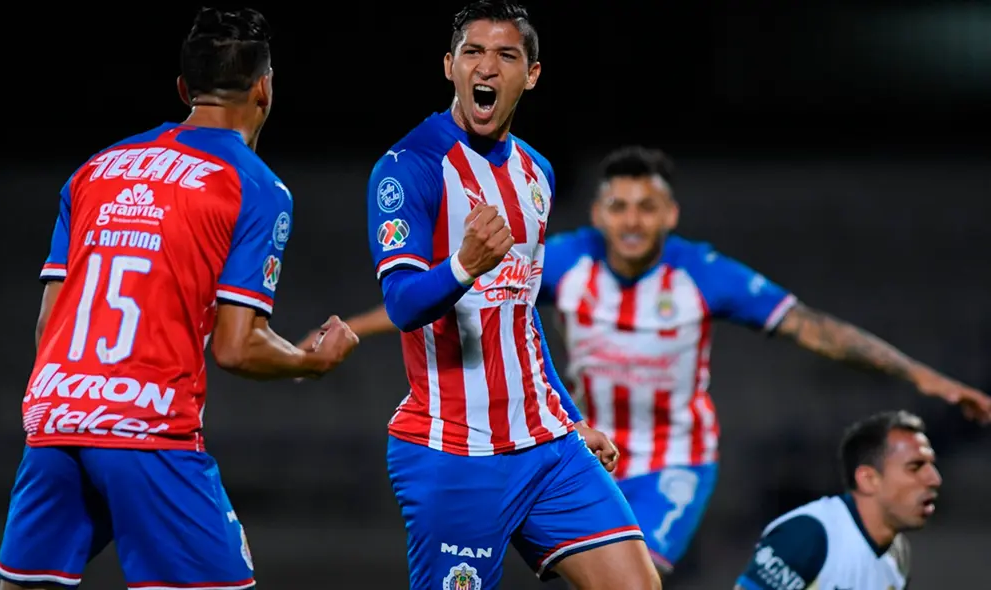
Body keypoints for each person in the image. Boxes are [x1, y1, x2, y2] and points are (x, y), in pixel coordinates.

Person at [349, 145, 991, 575]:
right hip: (574, 448)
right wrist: (353, 329)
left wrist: (922, 376)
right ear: (598, 212)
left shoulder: (702, 274)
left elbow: (810, 328)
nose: (633, 220)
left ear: (670, 214)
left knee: (640, 573)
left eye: (647, 207)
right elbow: (456, 298)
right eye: (619, 206)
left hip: (672, 459)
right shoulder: (565, 260)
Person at [0, 8, 359, 590]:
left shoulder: (96, 169)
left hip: (55, 420)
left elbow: (49, 327)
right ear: (264, 88)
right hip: (145, 429)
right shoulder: (255, 186)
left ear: (185, 89)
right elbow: (236, 348)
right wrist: (308, 361)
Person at [366, 2, 661, 589]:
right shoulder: (409, 168)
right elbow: (401, 304)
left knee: (638, 585)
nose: (487, 67)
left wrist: (572, 419)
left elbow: (519, 315)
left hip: (547, 443)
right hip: (456, 450)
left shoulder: (536, 173)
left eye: (506, 56)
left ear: (531, 74)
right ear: (450, 66)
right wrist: (462, 265)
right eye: (473, 53)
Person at [734, 410, 939, 590]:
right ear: (868, 479)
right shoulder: (809, 534)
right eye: (915, 467)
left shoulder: (898, 552)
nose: (934, 479)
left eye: (931, 465)